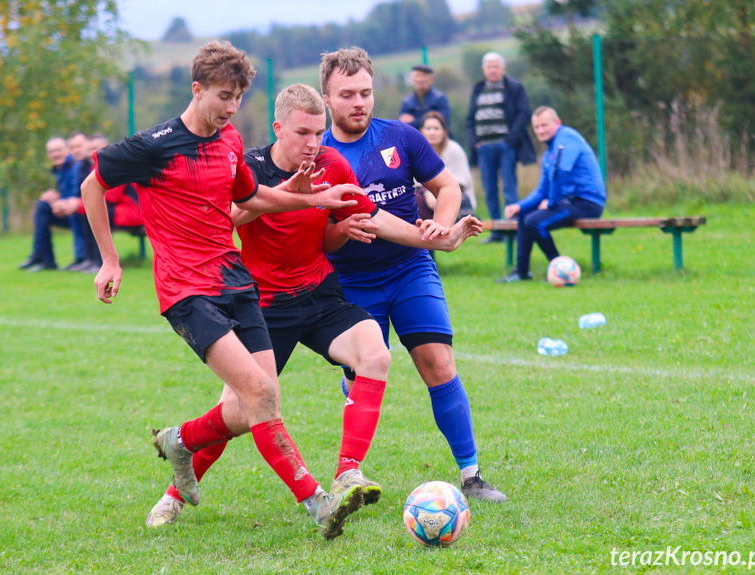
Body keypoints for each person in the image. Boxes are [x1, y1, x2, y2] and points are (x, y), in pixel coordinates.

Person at [144, 83, 483, 528]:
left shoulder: (331, 162)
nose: (313, 144)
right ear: (278, 128)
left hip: (320, 295)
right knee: (242, 411)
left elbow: (371, 216)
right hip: (262, 305)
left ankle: (347, 473)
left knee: (375, 354)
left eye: (320, 132)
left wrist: (438, 237)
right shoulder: (249, 167)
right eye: (303, 133)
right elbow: (221, 219)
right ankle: (177, 475)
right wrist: (284, 193)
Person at [81, 41, 373, 540]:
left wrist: (314, 195)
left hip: (236, 283)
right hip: (187, 291)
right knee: (260, 393)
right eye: (223, 96)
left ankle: (180, 440)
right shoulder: (154, 145)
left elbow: (251, 195)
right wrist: (110, 259)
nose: (231, 108)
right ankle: (317, 503)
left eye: (238, 97)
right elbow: (94, 185)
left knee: (251, 403)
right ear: (197, 90)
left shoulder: (230, 139)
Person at [319, 47, 508, 502]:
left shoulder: (401, 137)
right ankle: (350, 474)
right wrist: (342, 230)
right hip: (352, 282)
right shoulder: (318, 156)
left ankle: (471, 475)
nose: (359, 102)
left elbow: (448, 187)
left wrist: (441, 224)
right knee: (363, 372)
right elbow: (318, 240)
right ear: (327, 98)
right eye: (347, 95)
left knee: (437, 362)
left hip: (409, 269)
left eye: (366, 92)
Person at [497, 106, 606, 283]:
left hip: (587, 202)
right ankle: (521, 272)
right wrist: (519, 206)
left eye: (544, 125)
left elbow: (560, 173)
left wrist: (552, 201)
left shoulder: (567, 138)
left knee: (535, 222)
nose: (540, 130)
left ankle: (560, 269)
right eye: (536, 127)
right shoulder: (549, 152)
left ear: (558, 122)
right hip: (569, 202)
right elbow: (542, 191)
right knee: (524, 216)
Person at [466, 52, 536, 243]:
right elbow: (470, 118)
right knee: (489, 190)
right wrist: (475, 142)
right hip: (483, 148)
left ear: (503, 69)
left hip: (506, 146)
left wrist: (510, 140)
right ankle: (497, 232)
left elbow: (524, 113)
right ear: (484, 70)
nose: (493, 69)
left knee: (509, 188)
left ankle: (513, 229)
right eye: (489, 66)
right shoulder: (478, 89)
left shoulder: (514, 88)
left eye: (496, 66)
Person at [75, 134, 143, 271]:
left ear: (106, 147)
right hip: (119, 209)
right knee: (88, 212)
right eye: (89, 149)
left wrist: (78, 204)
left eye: (95, 148)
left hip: (132, 211)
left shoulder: (113, 164)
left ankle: (99, 261)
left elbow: (112, 196)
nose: (92, 152)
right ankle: (90, 259)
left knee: (96, 212)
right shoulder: (92, 167)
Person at [18, 137, 84, 272]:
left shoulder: (75, 167)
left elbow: (77, 194)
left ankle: (80, 259)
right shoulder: (58, 170)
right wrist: (54, 198)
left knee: (46, 208)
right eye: (52, 151)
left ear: (67, 150)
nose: (55, 154)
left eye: (58, 150)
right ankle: (43, 257)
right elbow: (67, 194)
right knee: (43, 205)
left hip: (80, 210)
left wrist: (60, 202)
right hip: (68, 208)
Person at [416, 111, 477, 220]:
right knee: (416, 199)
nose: (432, 133)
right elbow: (413, 181)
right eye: (428, 128)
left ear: (444, 131)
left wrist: (439, 194)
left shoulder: (454, 149)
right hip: (424, 195)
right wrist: (427, 193)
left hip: (454, 193)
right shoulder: (416, 150)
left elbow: (461, 181)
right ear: (421, 131)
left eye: (436, 128)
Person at [398, 64, 451, 130]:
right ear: (411, 79)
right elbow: (403, 125)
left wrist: (414, 122)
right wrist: (430, 118)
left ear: (431, 79)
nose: (421, 79)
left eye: (424, 76)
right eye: (417, 76)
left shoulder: (439, 98)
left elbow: (442, 122)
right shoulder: (407, 101)